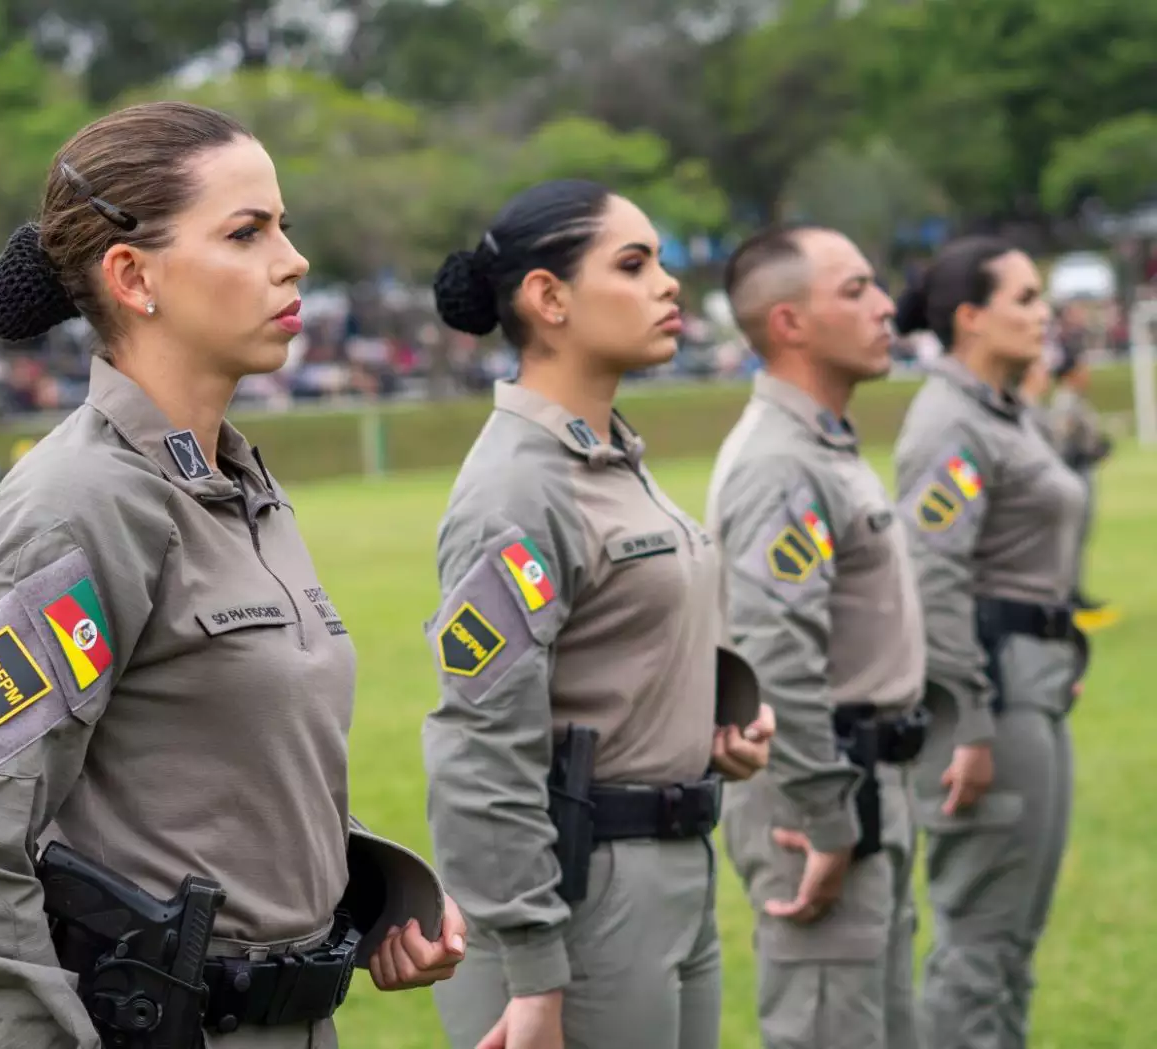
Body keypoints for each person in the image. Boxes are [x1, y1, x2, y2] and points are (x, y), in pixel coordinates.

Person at [0, 100, 465, 1049]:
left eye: (283, 225)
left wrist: (375, 896)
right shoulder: (78, 504)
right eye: (246, 232)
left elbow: (218, 768)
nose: (293, 260)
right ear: (132, 275)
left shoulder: (236, 481)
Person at [420, 178, 776, 1049]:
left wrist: (707, 729)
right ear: (549, 298)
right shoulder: (519, 486)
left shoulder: (606, 455)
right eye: (634, 263)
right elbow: (481, 743)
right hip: (581, 887)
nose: (669, 283)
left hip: (670, 862)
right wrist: (533, 965)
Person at [705, 225, 928, 1049]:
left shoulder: (820, 445)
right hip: (820, 790)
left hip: (860, 776)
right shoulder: (782, 464)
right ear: (789, 322)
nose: (886, 307)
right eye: (857, 289)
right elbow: (775, 657)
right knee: (833, 1027)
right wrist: (826, 814)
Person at [891, 236, 1087, 1049]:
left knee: (1011, 943)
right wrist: (966, 719)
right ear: (970, 317)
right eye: (1026, 298)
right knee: (981, 944)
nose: (1045, 314)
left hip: (1030, 684)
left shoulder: (1001, 411)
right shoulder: (952, 424)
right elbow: (933, 578)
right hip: (991, 698)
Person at [1045, 347, 1113, 613]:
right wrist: (1085, 452)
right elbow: (1061, 443)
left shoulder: (1075, 399)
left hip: (1081, 471)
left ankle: (1074, 590)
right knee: (1072, 534)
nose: (1088, 374)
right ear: (1071, 373)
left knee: (1080, 533)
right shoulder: (1066, 402)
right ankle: (1068, 593)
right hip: (1073, 473)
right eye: (1082, 369)